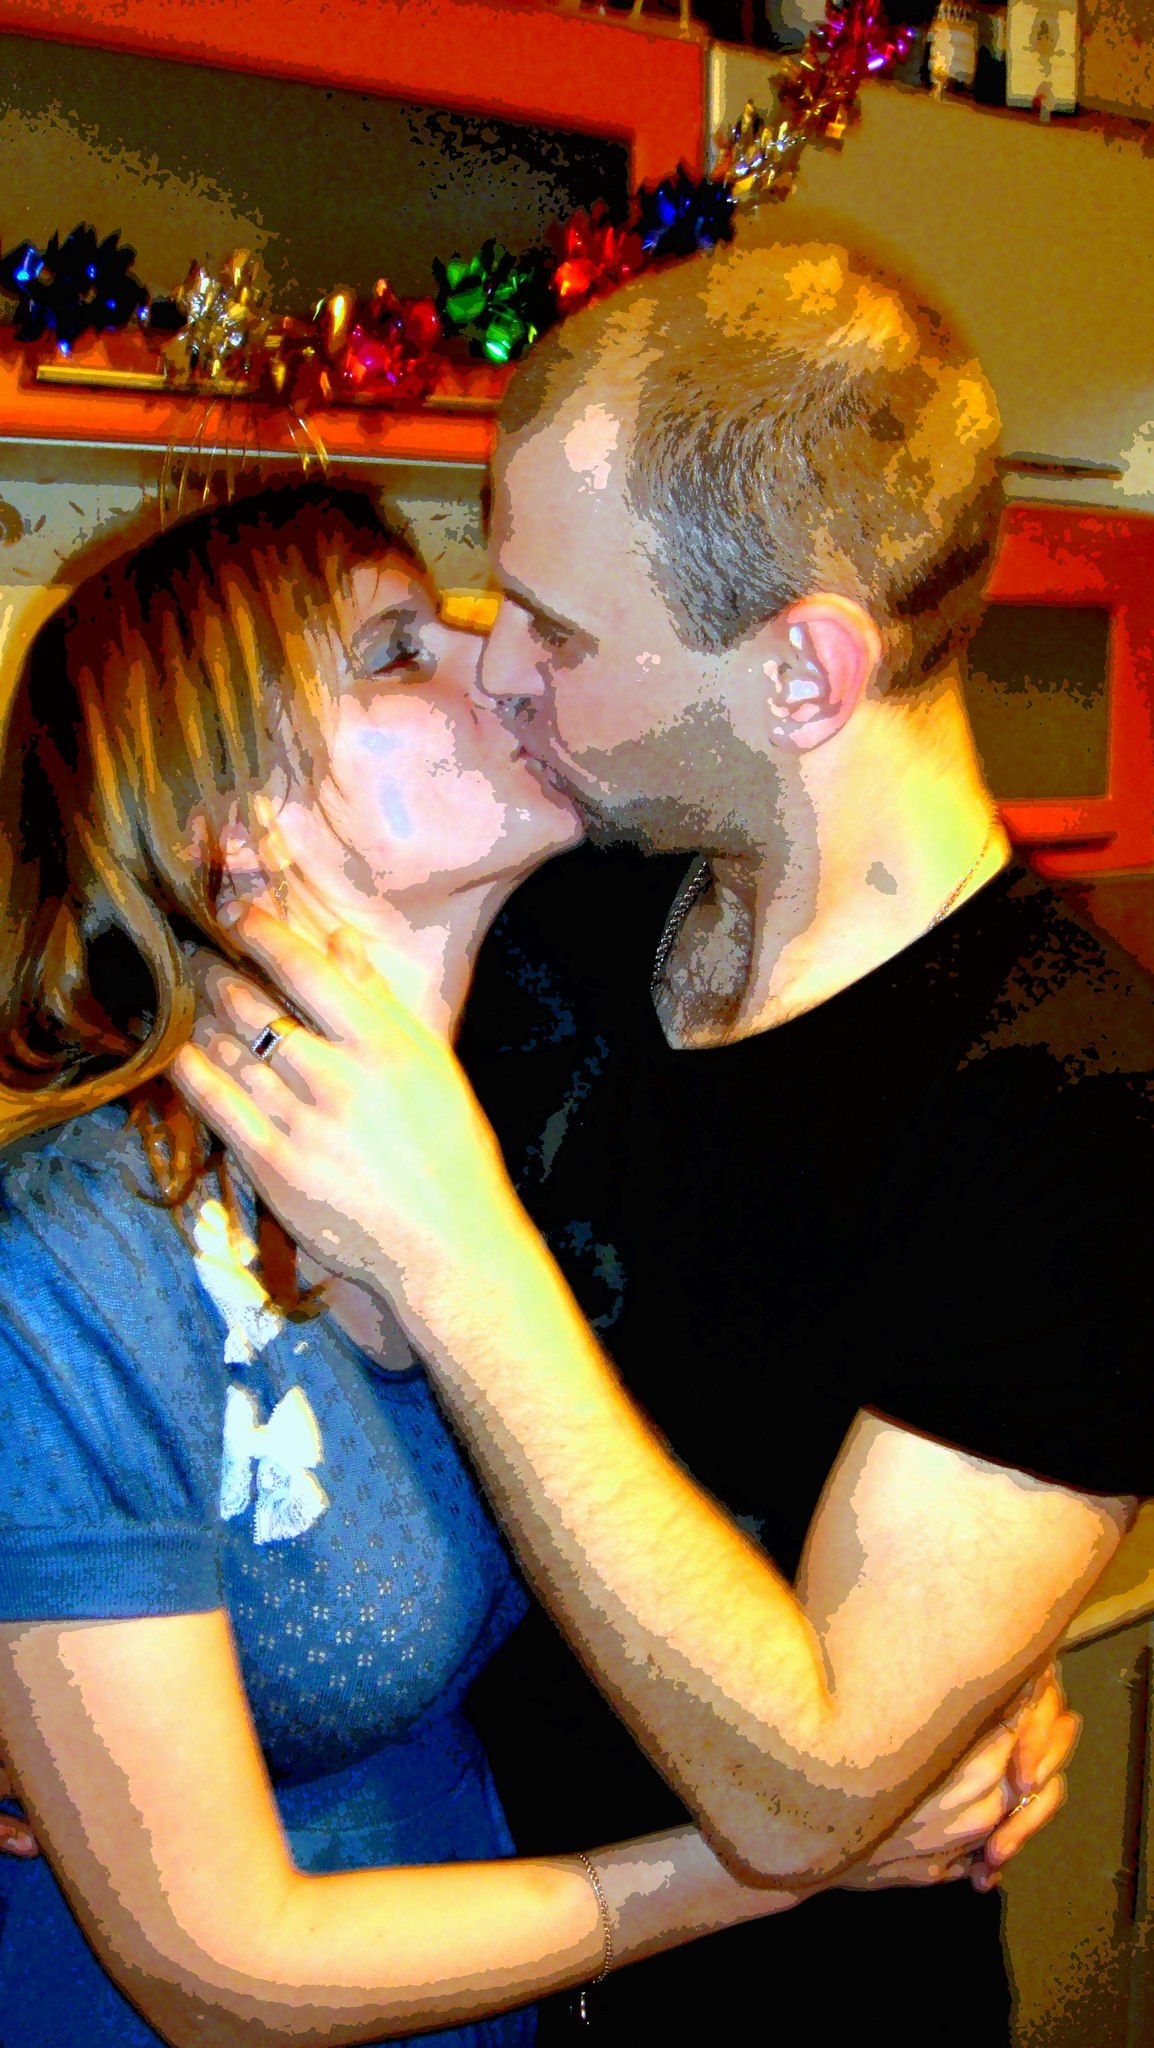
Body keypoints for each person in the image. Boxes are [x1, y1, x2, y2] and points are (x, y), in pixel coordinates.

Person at [160, 229, 1154, 2041]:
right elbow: (151, 1293)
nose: (495, 669)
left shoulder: (1080, 1109)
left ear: (802, 676)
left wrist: (464, 1261)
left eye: (558, 628)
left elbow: (804, 1795)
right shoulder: (562, 905)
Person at [0, 477, 1064, 2048]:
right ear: (225, 826)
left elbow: (746, 1433)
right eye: (393, 653)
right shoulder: (77, 1253)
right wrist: (781, 1858)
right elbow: (214, 1966)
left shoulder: (551, 1078)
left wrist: (947, 1658)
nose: (501, 660)